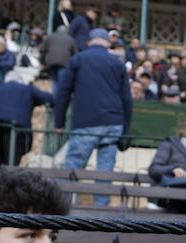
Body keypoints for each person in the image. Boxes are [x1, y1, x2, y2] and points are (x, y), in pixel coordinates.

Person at [55, 29, 131, 171]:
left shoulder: (77, 59)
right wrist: (125, 129)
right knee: (105, 172)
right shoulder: (117, 63)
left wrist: (59, 122)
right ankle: (102, 194)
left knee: (72, 172)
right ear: (108, 44)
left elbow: (63, 92)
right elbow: (126, 99)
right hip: (113, 123)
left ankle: (68, 194)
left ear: (89, 42)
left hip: (86, 122)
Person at [0, 69, 54, 168]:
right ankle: (9, 178)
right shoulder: (28, 88)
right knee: (12, 158)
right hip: (15, 125)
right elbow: (48, 99)